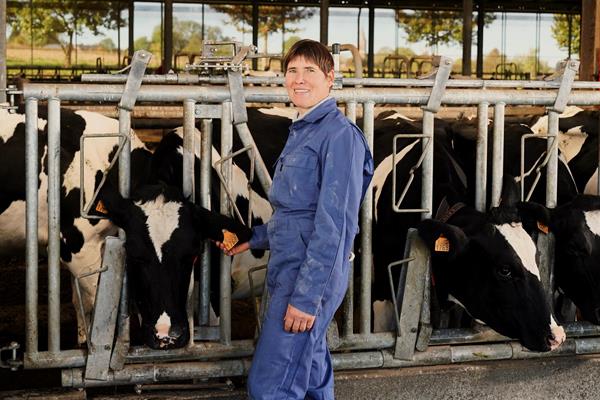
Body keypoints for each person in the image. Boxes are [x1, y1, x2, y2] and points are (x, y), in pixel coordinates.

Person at [218, 39, 373, 399]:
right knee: (311, 374)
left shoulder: (340, 137)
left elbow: (335, 226)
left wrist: (307, 298)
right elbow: (297, 213)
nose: (299, 79)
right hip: (290, 267)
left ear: (331, 78)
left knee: (271, 386)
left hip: (309, 276)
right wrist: (256, 238)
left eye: (310, 71)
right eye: (292, 71)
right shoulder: (303, 129)